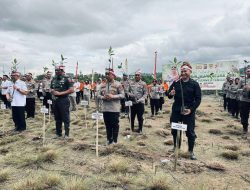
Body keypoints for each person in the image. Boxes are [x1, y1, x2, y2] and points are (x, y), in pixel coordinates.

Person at [168, 62, 201, 160]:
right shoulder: (176, 83)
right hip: (176, 111)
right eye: (182, 71)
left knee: (190, 132)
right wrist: (171, 93)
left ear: (190, 72)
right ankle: (176, 148)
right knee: (175, 130)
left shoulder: (194, 84)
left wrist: (191, 110)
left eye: (185, 71)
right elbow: (169, 95)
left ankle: (190, 151)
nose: (183, 73)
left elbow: (198, 99)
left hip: (188, 112)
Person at [98, 69, 124, 145]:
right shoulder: (102, 85)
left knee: (115, 125)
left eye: (108, 74)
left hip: (114, 109)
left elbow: (122, 95)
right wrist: (103, 97)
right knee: (107, 125)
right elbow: (98, 95)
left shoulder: (118, 84)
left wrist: (113, 96)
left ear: (113, 75)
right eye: (106, 74)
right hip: (105, 109)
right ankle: (109, 139)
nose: (106, 75)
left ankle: (115, 141)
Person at [51, 66, 74, 138]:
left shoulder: (67, 79)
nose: (56, 72)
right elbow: (51, 87)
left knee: (65, 118)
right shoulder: (54, 79)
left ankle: (67, 134)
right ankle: (58, 133)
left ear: (62, 70)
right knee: (57, 118)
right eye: (55, 70)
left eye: (58, 70)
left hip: (63, 100)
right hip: (55, 100)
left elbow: (71, 90)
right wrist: (51, 90)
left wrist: (60, 93)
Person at [238, 67, 250, 139]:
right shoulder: (242, 80)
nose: (249, 72)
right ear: (245, 72)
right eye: (248, 71)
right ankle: (245, 127)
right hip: (244, 100)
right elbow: (237, 89)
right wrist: (244, 89)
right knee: (244, 115)